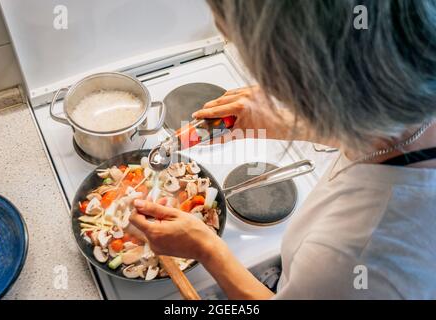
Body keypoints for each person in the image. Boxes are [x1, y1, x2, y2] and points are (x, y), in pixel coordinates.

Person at [130, 0, 436, 299]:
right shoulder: (418, 95)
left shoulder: (353, 258)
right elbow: (391, 137)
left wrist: (205, 248)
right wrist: (288, 124)